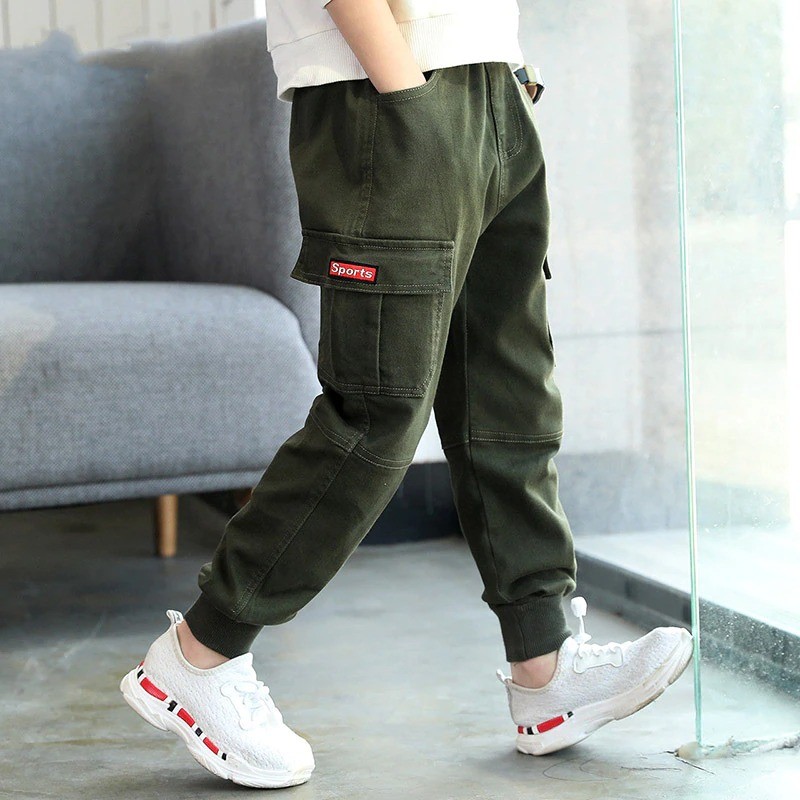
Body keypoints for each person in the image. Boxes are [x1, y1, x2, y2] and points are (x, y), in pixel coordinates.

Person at [118, 0, 693, 788]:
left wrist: (500, 81)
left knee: (506, 390)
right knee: (375, 412)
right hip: (385, 92)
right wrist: (406, 90)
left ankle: (545, 665)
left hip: (490, 86)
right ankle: (199, 655)